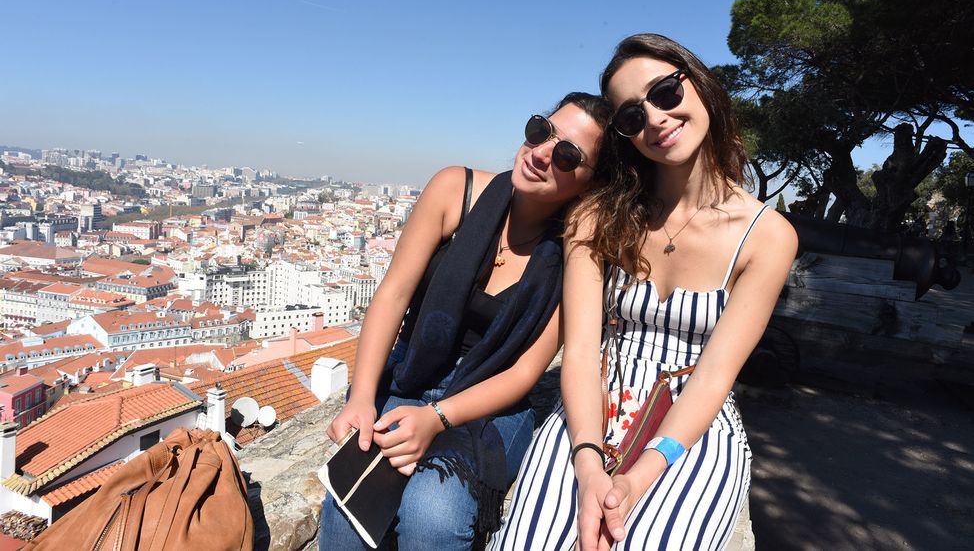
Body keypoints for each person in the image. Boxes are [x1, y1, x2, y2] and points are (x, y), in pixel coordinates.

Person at [491, 34, 798, 550]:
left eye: (666, 93)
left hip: (690, 430)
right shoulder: (599, 216)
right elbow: (583, 350)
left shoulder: (767, 238)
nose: (654, 118)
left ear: (700, 86)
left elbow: (715, 375)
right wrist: (588, 463)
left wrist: (641, 475)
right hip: (592, 409)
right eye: (631, 116)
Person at [319, 92, 612, 550]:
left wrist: (436, 418)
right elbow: (393, 293)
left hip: (491, 406)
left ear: (589, 184)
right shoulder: (456, 190)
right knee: (345, 516)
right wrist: (360, 397)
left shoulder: (577, 250)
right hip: (412, 374)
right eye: (540, 132)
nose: (540, 153)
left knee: (432, 514)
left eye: (567, 155)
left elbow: (524, 372)